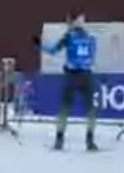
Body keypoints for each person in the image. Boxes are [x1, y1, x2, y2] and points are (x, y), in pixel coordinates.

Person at [35, 14, 98, 151]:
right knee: (91, 109)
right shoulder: (91, 38)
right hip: (86, 75)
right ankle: (90, 139)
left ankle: (59, 139)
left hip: (72, 75)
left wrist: (40, 46)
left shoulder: (69, 37)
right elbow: (92, 56)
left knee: (65, 108)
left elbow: (53, 51)